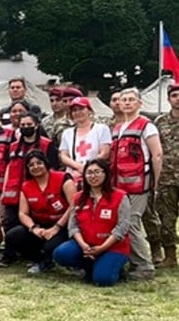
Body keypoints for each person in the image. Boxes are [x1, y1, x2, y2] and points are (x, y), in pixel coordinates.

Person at [53, 159, 131, 286]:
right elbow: (73, 226)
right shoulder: (78, 198)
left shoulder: (120, 196)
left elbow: (122, 227)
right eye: (89, 173)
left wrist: (102, 248)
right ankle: (90, 266)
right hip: (86, 245)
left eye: (97, 172)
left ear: (106, 174)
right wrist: (84, 245)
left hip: (112, 247)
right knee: (60, 254)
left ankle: (113, 268)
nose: (93, 176)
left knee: (102, 280)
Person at [109, 87, 160, 280]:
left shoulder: (147, 126)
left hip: (139, 185)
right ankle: (131, 261)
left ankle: (144, 266)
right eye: (124, 100)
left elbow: (157, 154)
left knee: (132, 222)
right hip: (119, 185)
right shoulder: (117, 128)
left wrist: (155, 181)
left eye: (131, 99)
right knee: (122, 223)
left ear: (140, 103)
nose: (127, 103)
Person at [6, 150, 75, 274]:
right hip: (40, 226)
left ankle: (61, 261)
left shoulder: (64, 179)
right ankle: (41, 261)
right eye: (31, 165)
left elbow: (74, 205)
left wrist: (56, 227)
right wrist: (34, 228)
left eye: (39, 163)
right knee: (13, 236)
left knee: (50, 247)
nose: (36, 167)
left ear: (46, 163)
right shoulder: (25, 186)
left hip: (64, 225)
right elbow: (22, 213)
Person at [0, 112, 57, 260]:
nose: (26, 127)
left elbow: (52, 169)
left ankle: (35, 255)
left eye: (29, 125)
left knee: (30, 225)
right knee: (10, 223)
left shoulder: (46, 144)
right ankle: (10, 255)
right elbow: (8, 167)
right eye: (23, 125)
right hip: (13, 192)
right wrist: (4, 190)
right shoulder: (13, 146)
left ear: (36, 125)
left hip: (35, 192)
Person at [153, 83, 179, 269]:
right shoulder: (160, 122)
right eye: (174, 96)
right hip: (167, 178)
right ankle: (170, 256)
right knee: (166, 218)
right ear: (169, 99)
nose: (178, 99)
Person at [59, 97, 111, 183]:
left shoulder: (101, 129)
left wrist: (88, 168)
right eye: (74, 110)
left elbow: (105, 153)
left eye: (81, 109)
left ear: (89, 110)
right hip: (74, 176)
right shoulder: (67, 133)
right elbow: (64, 156)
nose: (78, 112)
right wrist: (79, 167)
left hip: (96, 175)